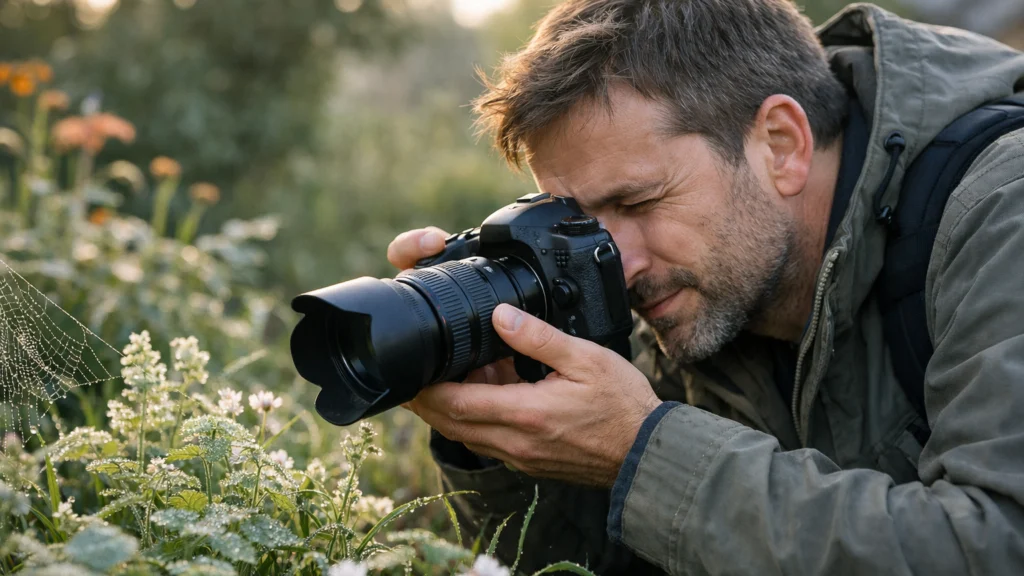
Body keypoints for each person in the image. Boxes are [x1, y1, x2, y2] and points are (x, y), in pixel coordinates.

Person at [386, 1, 1024, 574]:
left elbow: (997, 544)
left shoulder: (1001, 209)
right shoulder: (699, 292)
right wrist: (504, 440)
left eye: (638, 201)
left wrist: (645, 450)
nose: (620, 265)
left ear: (781, 144)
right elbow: (599, 565)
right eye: (580, 226)